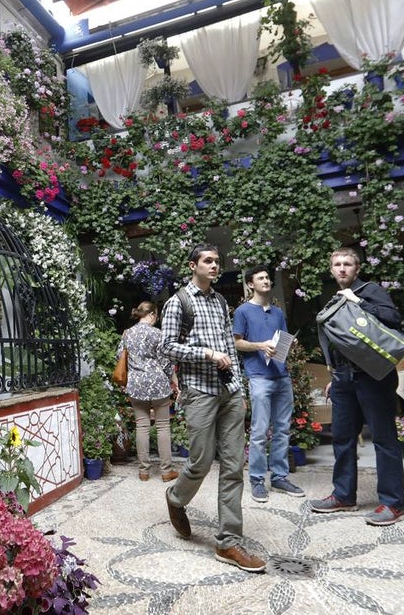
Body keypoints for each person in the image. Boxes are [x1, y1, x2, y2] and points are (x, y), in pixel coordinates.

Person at [161, 243, 267, 573]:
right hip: (200, 393)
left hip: (229, 392)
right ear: (193, 265)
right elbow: (166, 345)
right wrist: (205, 354)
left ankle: (228, 542)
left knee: (234, 465)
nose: (214, 266)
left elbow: (228, 346)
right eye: (208, 261)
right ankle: (176, 497)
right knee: (201, 461)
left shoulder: (221, 301)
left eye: (217, 261)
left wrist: (238, 386)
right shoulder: (178, 302)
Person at [310, 247, 404, 526]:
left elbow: (393, 319)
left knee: (383, 438)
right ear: (331, 269)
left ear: (357, 269)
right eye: (337, 264)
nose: (342, 269)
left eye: (347, 264)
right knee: (342, 438)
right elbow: (345, 343)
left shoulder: (370, 290)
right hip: (343, 379)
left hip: (374, 377)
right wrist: (334, 376)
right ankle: (344, 495)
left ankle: (393, 503)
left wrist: (358, 301)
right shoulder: (334, 299)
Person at [233, 265, 305, 502]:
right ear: (250, 284)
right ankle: (256, 480)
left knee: (283, 429)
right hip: (259, 377)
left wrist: (288, 344)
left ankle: (279, 477)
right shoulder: (243, 311)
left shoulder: (277, 313)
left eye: (267, 277)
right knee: (260, 431)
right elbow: (236, 343)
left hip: (281, 376)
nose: (266, 281)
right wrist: (260, 345)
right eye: (260, 278)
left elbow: (282, 340)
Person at [120, 301, 179, 482]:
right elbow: (165, 361)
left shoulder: (127, 334)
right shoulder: (157, 333)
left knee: (142, 425)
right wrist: (173, 381)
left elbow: (119, 356)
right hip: (158, 383)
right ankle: (166, 471)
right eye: (157, 315)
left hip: (136, 384)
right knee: (162, 426)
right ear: (152, 314)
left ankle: (144, 471)